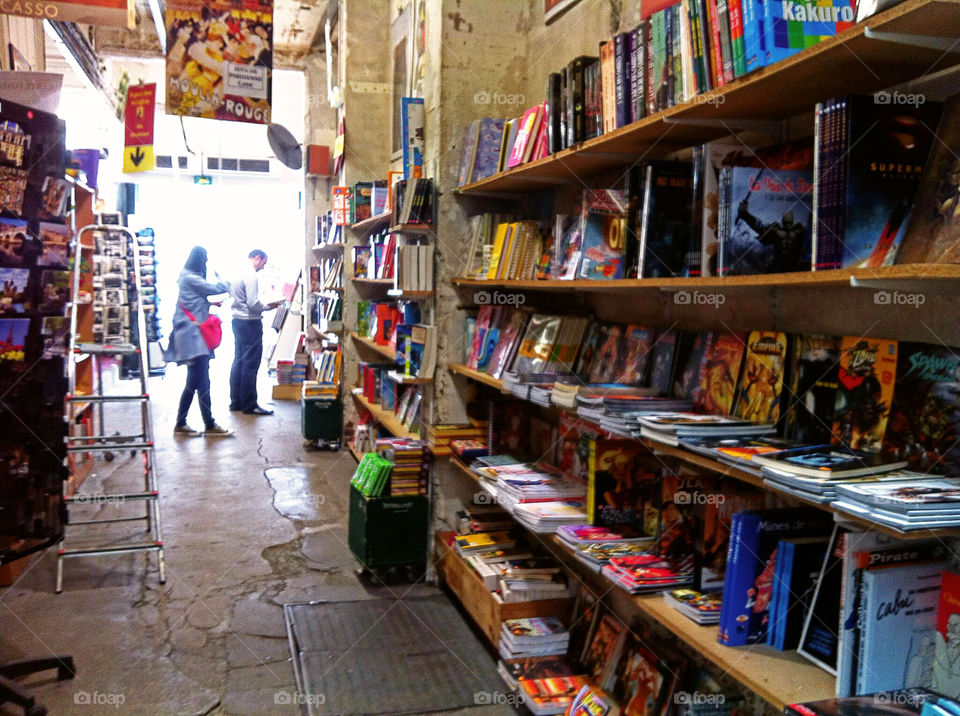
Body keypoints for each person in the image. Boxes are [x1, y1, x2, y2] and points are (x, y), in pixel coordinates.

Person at [164, 246, 233, 437]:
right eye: (205, 260)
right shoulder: (191, 278)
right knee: (200, 380)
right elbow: (214, 288)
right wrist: (226, 280)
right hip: (192, 337)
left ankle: (188, 423)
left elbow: (193, 299)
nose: (206, 264)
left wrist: (209, 303)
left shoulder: (186, 276)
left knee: (197, 381)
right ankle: (206, 425)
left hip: (193, 336)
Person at [229, 249, 282, 415]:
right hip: (250, 322)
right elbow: (253, 303)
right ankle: (250, 404)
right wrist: (268, 307)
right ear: (257, 258)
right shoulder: (251, 276)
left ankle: (236, 402)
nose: (263, 267)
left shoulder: (237, 272)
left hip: (237, 320)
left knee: (239, 361)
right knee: (251, 364)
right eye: (263, 263)